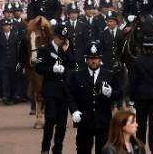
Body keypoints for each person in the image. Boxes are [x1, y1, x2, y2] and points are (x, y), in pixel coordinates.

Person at [67, 41, 122, 154]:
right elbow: (70, 95)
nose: (93, 61)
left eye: (96, 58)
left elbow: (120, 93)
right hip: (84, 121)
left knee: (103, 151)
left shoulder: (109, 75)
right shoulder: (77, 75)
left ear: (100, 59)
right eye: (91, 58)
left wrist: (111, 93)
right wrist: (74, 111)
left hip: (103, 121)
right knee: (83, 150)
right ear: (86, 59)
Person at [127, 35, 153, 154]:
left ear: (143, 48)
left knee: (141, 124)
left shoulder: (137, 61)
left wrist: (132, 98)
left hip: (140, 97)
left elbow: (133, 81)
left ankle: (140, 148)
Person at [36, 22, 72, 154]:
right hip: (50, 89)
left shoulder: (66, 48)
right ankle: (45, 148)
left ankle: (58, 148)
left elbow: (73, 65)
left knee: (62, 123)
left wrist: (67, 52)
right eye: (60, 38)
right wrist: (52, 69)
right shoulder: (43, 50)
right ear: (54, 36)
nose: (61, 41)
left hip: (64, 91)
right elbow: (38, 68)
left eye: (64, 39)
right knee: (50, 119)